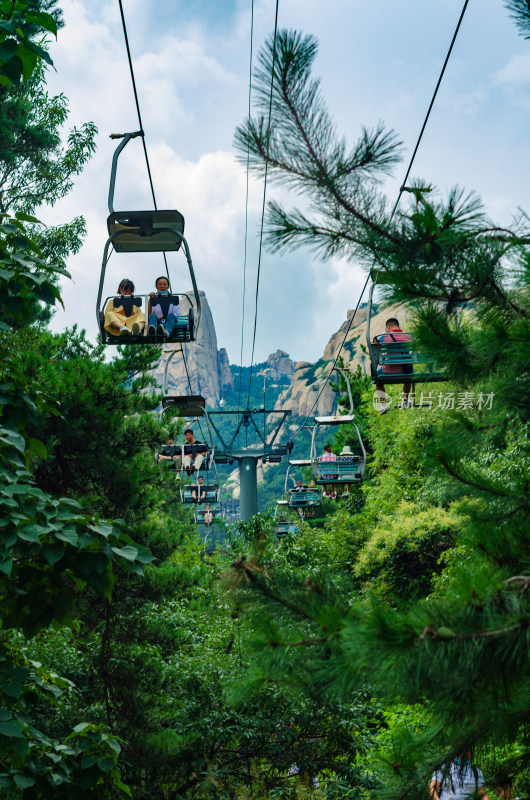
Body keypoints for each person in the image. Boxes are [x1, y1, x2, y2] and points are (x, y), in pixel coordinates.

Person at [373, 317, 414, 414]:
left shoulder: (383, 337)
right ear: (398, 326)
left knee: (377, 380)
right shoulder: (408, 336)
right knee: (408, 377)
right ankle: (405, 401)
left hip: (388, 371)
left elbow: (375, 343)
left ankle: (383, 405)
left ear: (388, 327)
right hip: (406, 370)